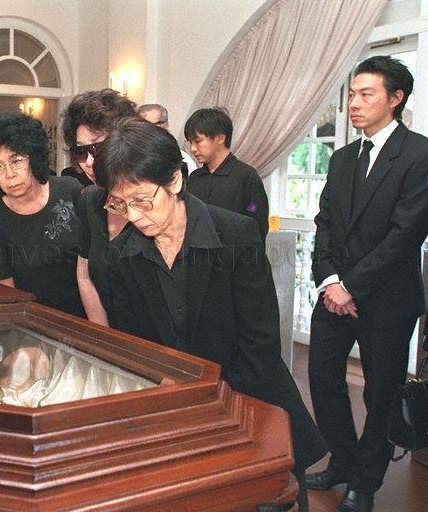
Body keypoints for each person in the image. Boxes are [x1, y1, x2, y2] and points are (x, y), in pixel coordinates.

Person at [95, 117, 326, 512]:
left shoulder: (235, 235)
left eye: (142, 200)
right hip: (181, 419)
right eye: (120, 203)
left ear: (174, 181)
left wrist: (218, 409)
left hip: (252, 407)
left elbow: (260, 343)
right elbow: (139, 350)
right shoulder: (122, 255)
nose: (132, 215)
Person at [306, 56, 428, 512]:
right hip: (334, 294)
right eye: (352, 94)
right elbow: (324, 224)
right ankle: (342, 459)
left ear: (395, 99)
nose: (354, 104)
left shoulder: (419, 153)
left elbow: (405, 234)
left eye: (366, 94)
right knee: (322, 380)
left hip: (388, 299)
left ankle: (366, 481)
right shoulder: (342, 158)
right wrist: (330, 281)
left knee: (380, 393)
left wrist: (351, 287)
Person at [0, 112, 85, 318]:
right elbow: (7, 295)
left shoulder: (70, 189)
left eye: (16, 161)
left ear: (32, 158)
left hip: (91, 314)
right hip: (37, 321)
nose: (10, 174)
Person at [61, 88, 136, 325]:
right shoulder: (91, 200)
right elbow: (85, 276)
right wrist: (102, 336)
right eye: (81, 152)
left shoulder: (153, 201)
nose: (90, 162)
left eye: (98, 148)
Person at [184, 108, 269, 243]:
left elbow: (257, 226)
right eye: (190, 142)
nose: (193, 148)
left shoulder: (246, 177)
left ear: (220, 138)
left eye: (198, 141)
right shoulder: (194, 178)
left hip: (235, 254)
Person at [137, 103, 198, 172]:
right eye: (140, 126)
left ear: (165, 125)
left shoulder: (184, 160)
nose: (144, 131)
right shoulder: (130, 157)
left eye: (150, 126)